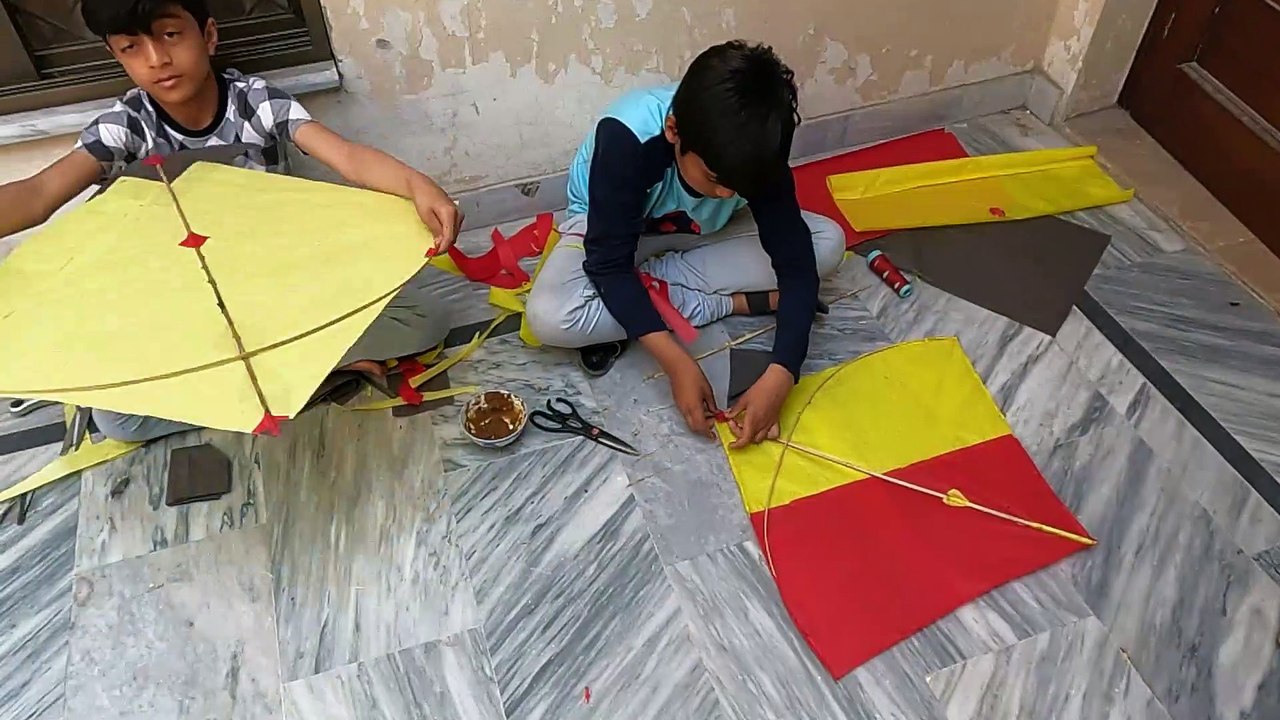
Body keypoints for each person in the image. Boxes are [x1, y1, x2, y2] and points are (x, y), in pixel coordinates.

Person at [0, 0, 462, 442]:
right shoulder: (127, 127)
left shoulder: (254, 103)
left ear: (209, 35)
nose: (157, 59)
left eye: (171, 35)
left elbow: (346, 157)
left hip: (278, 285)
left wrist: (417, 184)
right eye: (132, 48)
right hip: (183, 306)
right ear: (116, 56)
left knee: (425, 318)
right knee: (119, 419)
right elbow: (40, 194)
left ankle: (280, 375)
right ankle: (313, 374)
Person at [525, 40, 845, 449]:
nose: (729, 193)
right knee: (549, 316)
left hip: (698, 235)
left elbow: (797, 263)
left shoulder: (756, 151)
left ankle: (652, 286)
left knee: (827, 243)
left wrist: (783, 371)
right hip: (617, 235)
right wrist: (677, 363)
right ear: (674, 131)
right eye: (715, 178)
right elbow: (606, 264)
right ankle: (719, 301)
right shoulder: (628, 137)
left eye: (740, 185)